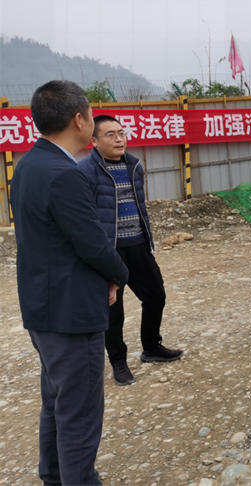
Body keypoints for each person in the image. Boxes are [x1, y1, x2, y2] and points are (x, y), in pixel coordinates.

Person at [11, 80, 129, 485]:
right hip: (71, 312)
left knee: (57, 402)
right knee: (79, 413)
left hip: (43, 308)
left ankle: (54, 477)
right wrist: (119, 274)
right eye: (92, 115)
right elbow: (92, 244)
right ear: (79, 120)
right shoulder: (65, 174)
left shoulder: (28, 164)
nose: (93, 121)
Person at [77, 115, 183, 387]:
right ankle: (119, 362)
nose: (119, 139)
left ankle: (151, 347)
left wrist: (147, 240)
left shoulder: (134, 166)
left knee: (156, 296)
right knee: (113, 312)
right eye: (111, 134)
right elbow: (86, 219)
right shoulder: (84, 171)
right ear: (94, 141)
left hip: (138, 245)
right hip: (109, 252)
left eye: (121, 133)